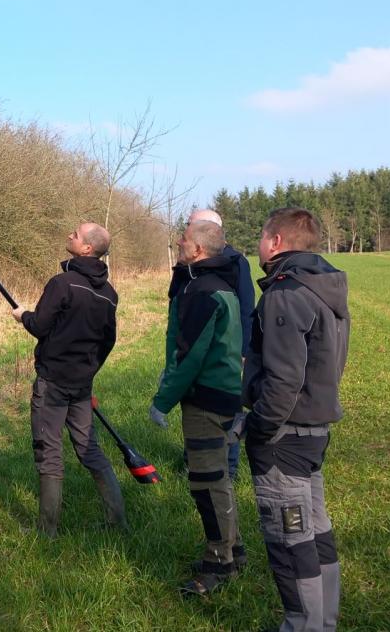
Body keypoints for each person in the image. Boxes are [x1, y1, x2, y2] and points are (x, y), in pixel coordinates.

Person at [240, 207, 349, 631]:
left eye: (262, 237)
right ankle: (323, 622)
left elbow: (284, 379)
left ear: (277, 242)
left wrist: (259, 428)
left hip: (285, 436)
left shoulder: (286, 294)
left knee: (289, 540)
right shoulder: (324, 287)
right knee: (314, 531)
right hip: (314, 430)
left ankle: (302, 624)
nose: (259, 245)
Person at [148, 220, 245, 596]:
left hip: (206, 399)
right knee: (218, 477)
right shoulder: (220, 285)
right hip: (223, 394)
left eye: (184, 238)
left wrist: (162, 400)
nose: (179, 241)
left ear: (199, 249)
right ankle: (233, 549)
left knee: (206, 483)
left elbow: (191, 357)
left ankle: (219, 563)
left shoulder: (203, 290)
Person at [10, 222, 124, 538]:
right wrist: (88, 370)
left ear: (87, 248)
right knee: (90, 450)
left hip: (53, 382)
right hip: (82, 384)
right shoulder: (110, 295)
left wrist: (23, 316)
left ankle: (47, 532)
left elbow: (40, 326)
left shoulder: (62, 284)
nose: (69, 235)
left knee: (49, 452)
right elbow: (108, 341)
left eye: (75, 234)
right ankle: (117, 522)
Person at [188, 208, 256, 482]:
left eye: (191, 225)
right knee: (195, 402)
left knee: (227, 405)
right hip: (196, 346)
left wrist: (243, 351)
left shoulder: (235, 261)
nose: (185, 232)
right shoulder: (189, 263)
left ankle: (230, 467)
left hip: (226, 348)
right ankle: (194, 460)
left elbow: (246, 306)